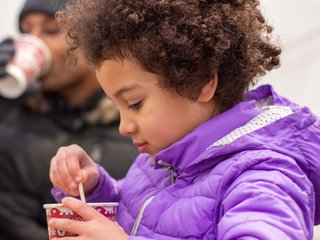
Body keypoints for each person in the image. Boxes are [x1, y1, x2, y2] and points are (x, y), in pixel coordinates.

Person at [48, 0, 320, 239]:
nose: (124, 126)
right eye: (117, 107)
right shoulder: (160, 159)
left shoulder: (263, 178)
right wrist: (95, 189)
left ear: (201, 82)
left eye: (135, 104)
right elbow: (144, 218)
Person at [0, 0, 137, 239]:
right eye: (26, 31)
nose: (34, 41)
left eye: (51, 30)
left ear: (94, 39)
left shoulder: (135, 123)